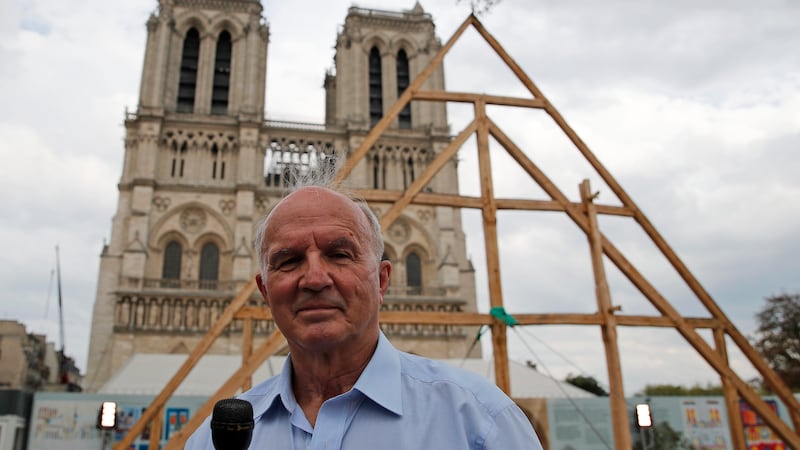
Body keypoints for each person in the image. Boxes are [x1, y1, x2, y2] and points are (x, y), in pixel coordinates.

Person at [185, 176, 544, 449]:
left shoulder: (480, 422)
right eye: (289, 260)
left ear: (382, 280)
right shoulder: (211, 440)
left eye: (340, 255)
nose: (314, 278)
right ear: (265, 292)